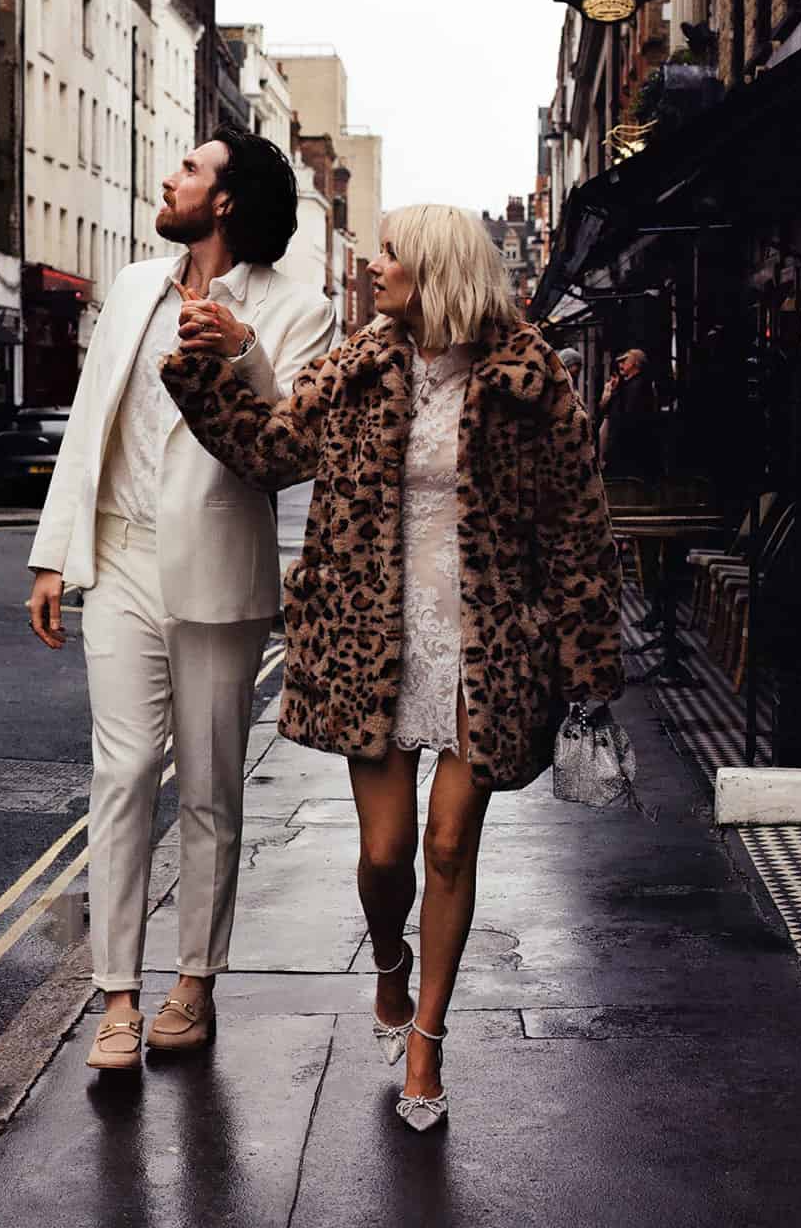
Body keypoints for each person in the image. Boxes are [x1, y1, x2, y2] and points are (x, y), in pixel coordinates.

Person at [161, 204, 622, 1131]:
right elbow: (267, 450)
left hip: (484, 648)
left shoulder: (534, 385)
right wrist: (206, 367)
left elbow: (578, 529)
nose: (373, 267)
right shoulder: (357, 368)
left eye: (389, 254)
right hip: (371, 642)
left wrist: (585, 666)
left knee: (450, 844)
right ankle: (387, 962)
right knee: (384, 855)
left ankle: (427, 1045)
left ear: (435, 270)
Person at [27, 123, 336, 1073]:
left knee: (208, 787)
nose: (170, 177)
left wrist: (242, 352)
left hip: (215, 572)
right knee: (120, 777)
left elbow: (292, 441)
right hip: (119, 560)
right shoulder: (131, 289)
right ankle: (116, 998)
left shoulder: (299, 307)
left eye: (191, 170)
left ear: (228, 200)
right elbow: (90, 426)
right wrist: (53, 556)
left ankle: (193, 985)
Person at [598, 347, 658, 482]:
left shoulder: (639, 385)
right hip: (623, 445)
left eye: (625, 361)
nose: (621, 365)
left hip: (628, 447)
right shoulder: (628, 385)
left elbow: (628, 416)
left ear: (636, 363)